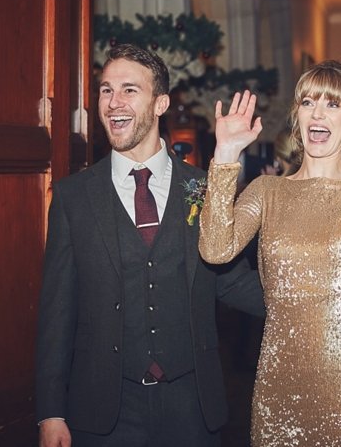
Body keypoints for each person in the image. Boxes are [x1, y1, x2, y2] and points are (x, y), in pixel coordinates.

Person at [35, 43, 264, 447]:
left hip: (192, 409)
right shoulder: (73, 198)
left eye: (128, 90)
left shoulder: (204, 188)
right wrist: (51, 411)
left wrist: (320, 300)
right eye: (106, 90)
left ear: (160, 103)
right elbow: (57, 311)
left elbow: (231, 282)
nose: (113, 103)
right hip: (104, 412)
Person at [199, 60, 341, 446]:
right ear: (297, 116)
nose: (318, 112)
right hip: (279, 380)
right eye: (307, 102)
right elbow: (216, 250)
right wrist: (225, 156)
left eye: (333, 104)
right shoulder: (268, 191)